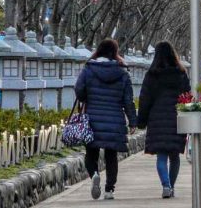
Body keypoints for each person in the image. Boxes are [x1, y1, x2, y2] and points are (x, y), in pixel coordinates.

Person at [74, 39, 137, 200]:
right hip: (115, 120)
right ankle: (109, 190)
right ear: (115, 52)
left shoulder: (89, 69)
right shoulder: (122, 73)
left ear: (98, 50)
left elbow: (79, 91)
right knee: (111, 156)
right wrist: (133, 121)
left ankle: (94, 174)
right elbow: (128, 100)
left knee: (91, 153)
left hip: (93, 119)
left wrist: (87, 96)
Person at [137, 41, 190, 199]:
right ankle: (171, 186)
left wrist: (141, 121)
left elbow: (145, 99)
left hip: (157, 118)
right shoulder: (181, 73)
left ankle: (165, 185)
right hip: (176, 117)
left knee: (161, 156)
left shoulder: (152, 74)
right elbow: (187, 96)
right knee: (174, 156)